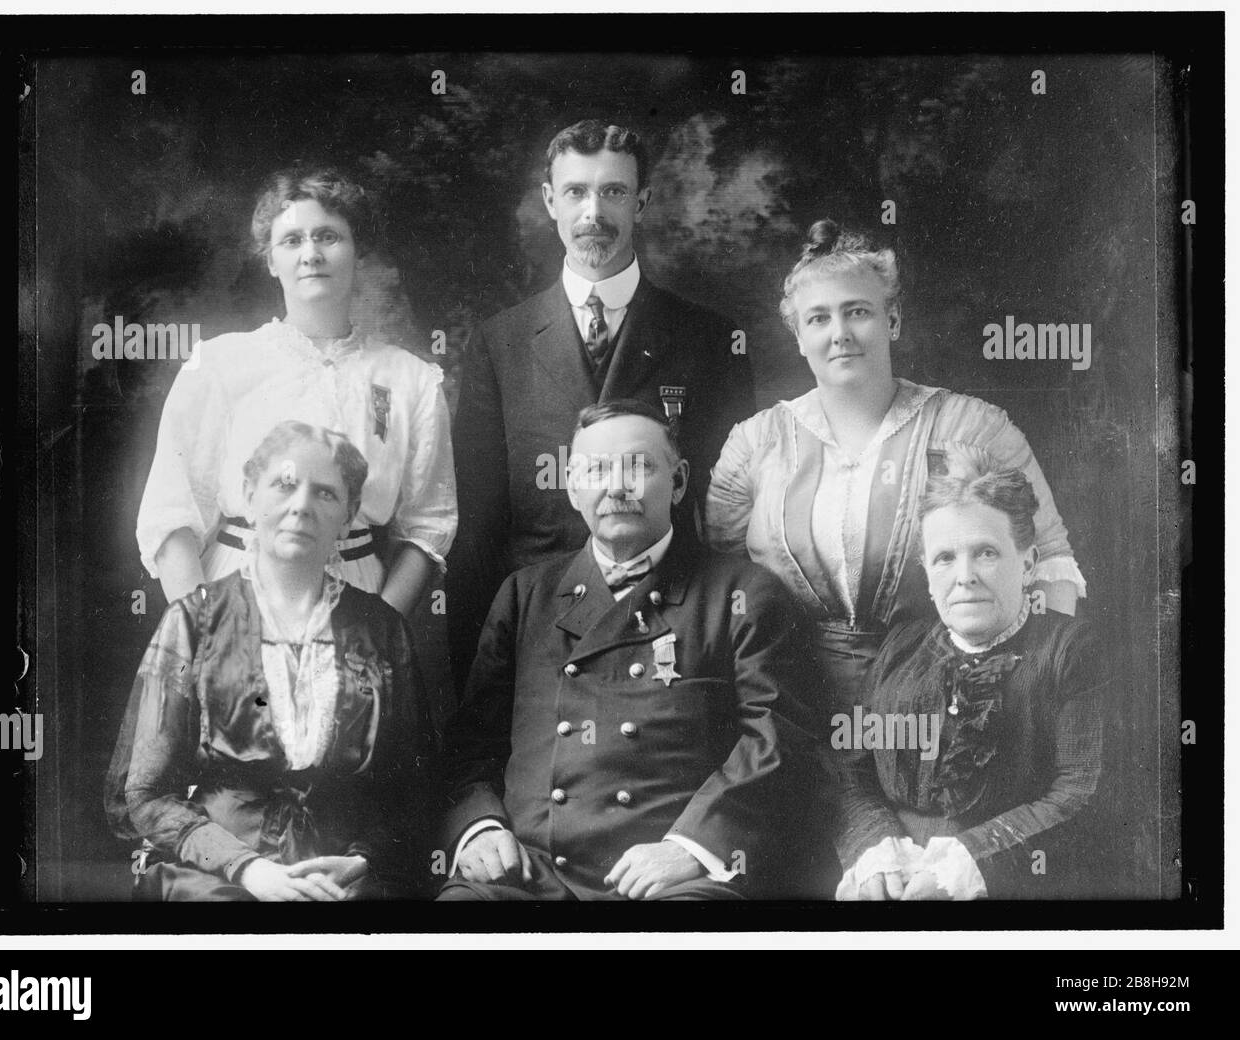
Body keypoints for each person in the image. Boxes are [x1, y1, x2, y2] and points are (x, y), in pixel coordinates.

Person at [437, 401, 826, 901]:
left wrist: (693, 847)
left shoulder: (743, 593)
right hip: (531, 874)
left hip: (674, 875)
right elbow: (470, 746)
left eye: (639, 466)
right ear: (574, 489)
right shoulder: (525, 594)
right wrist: (480, 827)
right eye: (596, 470)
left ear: (680, 482)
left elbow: (777, 740)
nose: (616, 486)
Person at [706, 219, 1086, 709]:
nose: (840, 333)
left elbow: (1050, 565)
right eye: (818, 319)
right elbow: (724, 584)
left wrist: (1032, 693)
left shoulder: (973, 427)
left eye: (857, 312)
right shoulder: (755, 443)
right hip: (790, 703)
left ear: (893, 321)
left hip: (943, 702)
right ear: (798, 337)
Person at [447, 119, 756, 695]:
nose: (594, 212)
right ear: (549, 203)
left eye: (613, 192)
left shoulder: (710, 338)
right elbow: (478, 527)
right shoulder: (500, 341)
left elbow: (725, 516)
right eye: (576, 192)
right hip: (539, 629)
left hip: (669, 629)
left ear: (641, 202)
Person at [108, 421, 434, 901]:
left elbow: (415, 788)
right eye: (284, 484)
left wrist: (364, 860)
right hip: (218, 873)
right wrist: (247, 868)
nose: (301, 505)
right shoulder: (195, 620)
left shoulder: (382, 628)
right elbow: (144, 794)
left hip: (345, 873)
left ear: (348, 517)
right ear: (250, 496)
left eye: (325, 493)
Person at [136, 163, 456, 617]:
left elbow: (427, 525)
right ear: (271, 260)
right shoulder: (220, 363)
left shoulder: (411, 379)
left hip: (359, 597)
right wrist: (206, 632)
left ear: (357, 251)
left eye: (328, 236)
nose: (311, 254)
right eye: (292, 240)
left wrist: (382, 631)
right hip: (234, 592)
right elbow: (172, 515)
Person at [833, 452, 1105, 900]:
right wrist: (874, 851)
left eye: (986, 553)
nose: (965, 577)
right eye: (944, 558)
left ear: (1029, 563)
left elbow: (1080, 791)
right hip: (891, 873)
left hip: (1011, 879)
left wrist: (969, 865)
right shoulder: (900, 649)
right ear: (927, 574)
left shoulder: (1069, 651)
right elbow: (851, 771)